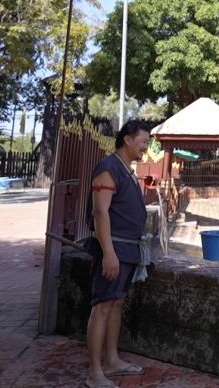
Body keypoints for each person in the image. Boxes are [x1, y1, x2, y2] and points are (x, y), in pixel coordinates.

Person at [84, 120, 151, 388]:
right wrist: (109, 253)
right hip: (114, 249)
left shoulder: (126, 170)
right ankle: (94, 373)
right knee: (102, 306)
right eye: (143, 141)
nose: (145, 147)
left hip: (129, 249)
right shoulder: (109, 168)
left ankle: (111, 361)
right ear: (127, 140)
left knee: (115, 303)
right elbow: (100, 212)